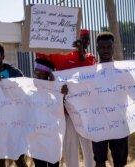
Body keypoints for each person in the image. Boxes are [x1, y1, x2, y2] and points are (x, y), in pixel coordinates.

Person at [37, 29, 96, 167]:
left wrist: (80, 51)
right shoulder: (61, 56)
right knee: (70, 149)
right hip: (66, 112)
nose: (86, 41)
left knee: (89, 149)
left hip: (85, 112)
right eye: (83, 38)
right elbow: (42, 53)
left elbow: (90, 70)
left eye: (87, 39)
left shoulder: (90, 57)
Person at [92, 32, 128, 167]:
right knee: (99, 161)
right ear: (97, 48)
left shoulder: (124, 70)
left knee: (119, 162)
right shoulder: (89, 73)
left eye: (109, 47)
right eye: (102, 47)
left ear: (114, 48)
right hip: (98, 124)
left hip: (119, 123)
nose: (106, 50)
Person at [32, 58, 66, 167]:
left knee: (53, 163)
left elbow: (60, 106)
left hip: (52, 135)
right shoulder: (29, 87)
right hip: (36, 136)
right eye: (35, 69)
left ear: (48, 72)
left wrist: (59, 92)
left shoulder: (57, 88)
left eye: (40, 70)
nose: (36, 72)